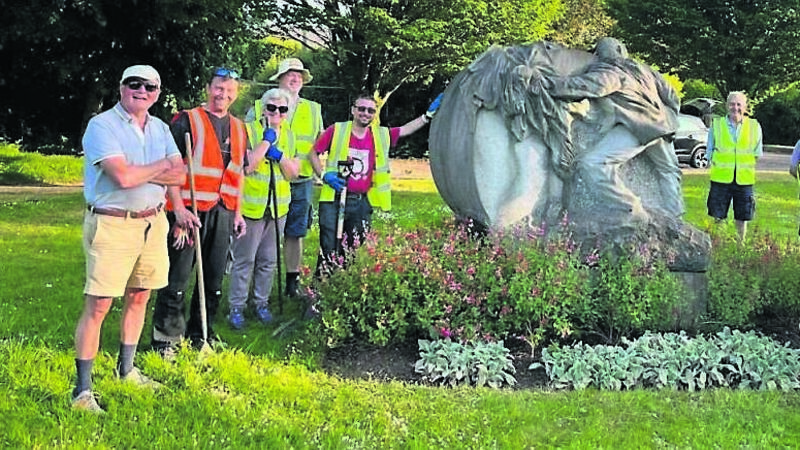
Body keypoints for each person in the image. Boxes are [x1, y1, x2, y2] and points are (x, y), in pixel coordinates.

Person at [73, 65, 185, 412]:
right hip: (112, 223)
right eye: (134, 84)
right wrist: (159, 168)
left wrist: (145, 173)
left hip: (152, 223)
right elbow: (121, 177)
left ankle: (127, 370)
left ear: (158, 93)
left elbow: (180, 173)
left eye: (150, 86)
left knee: (140, 296)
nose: (142, 90)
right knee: (99, 304)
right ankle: (82, 391)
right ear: (121, 87)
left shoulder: (161, 128)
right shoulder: (102, 125)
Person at [150, 67, 248, 354]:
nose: (223, 94)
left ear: (236, 94)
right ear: (208, 88)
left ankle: (202, 332)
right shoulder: (187, 120)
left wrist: (238, 213)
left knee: (214, 279)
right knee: (177, 277)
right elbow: (170, 169)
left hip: (223, 211)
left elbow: (239, 173)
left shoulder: (239, 128)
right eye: (218, 88)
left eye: (229, 90)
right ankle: (166, 339)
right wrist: (178, 211)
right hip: (188, 212)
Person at [545, 37, 683, 219]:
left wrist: (547, 84)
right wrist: (670, 118)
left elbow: (585, 87)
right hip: (663, 126)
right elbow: (672, 97)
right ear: (621, 50)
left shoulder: (611, 72)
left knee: (592, 164)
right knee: (668, 170)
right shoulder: (646, 70)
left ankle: (631, 208)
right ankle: (675, 216)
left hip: (639, 127)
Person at [309, 93, 442, 276]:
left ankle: (341, 285)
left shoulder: (380, 135)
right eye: (361, 109)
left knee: (351, 249)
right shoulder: (337, 130)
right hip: (334, 199)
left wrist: (427, 116)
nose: (365, 113)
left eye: (370, 110)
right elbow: (313, 153)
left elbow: (405, 130)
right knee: (328, 246)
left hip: (360, 203)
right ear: (353, 110)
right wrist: (324, 175)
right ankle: (320, 286)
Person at [247, 58, 323, 298]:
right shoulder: (260, 105)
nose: (295, 78)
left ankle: (292, 282)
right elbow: (246, 140)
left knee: (295, 232)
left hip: (300, 180)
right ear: (279, 78)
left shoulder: (313, 109)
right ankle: (255, 286)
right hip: (265, 181)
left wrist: (322, 173)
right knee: (261, 236)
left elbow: (319, 144)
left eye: (299, 74)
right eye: (290, 73)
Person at [228, 88, 300, 329]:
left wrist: (279, 156)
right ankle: (236, 307)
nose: (276, 112)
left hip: (278, 208)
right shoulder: (248, 130)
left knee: (268, 260)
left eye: (282, 109)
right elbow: (247, 166)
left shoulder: (290, 135)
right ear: (262, 108)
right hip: (251, 208)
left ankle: (261, 303)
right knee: (245, 260)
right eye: (271, 107)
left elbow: (293, 173)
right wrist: (266, 142)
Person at [705, 91, 763, 242]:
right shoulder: (716, 125)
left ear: (745, 107)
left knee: (742, 216)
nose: (735, 108)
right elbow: (709, 151)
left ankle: (740, 245)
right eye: (732, 104)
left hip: (744, 179)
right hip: (720, 178)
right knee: (718, 215)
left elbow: (757, 153)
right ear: (726, 105)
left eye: (738, 104)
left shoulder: (754, 126)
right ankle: (719, 243)